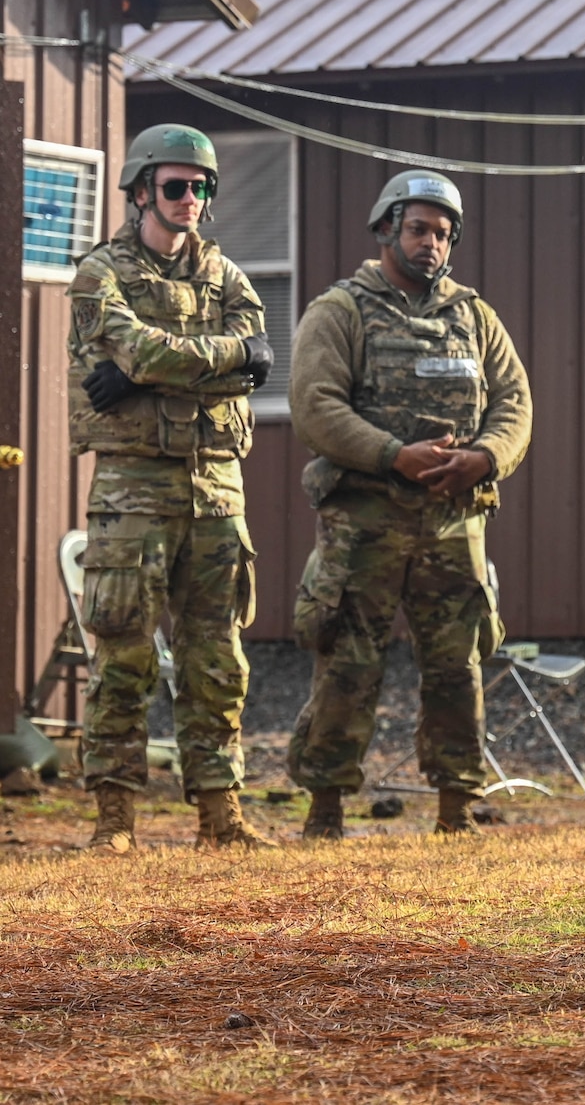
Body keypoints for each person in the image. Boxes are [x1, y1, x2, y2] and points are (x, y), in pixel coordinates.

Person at [286, 170, 533, 839]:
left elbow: (514, 401)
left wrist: (483, 458)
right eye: (419, 228)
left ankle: (457, 807)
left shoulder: (474, 315)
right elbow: (315, 406)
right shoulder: (341, 310)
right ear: (387, 229)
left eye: (443, 233)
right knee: (348, 661)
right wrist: (394, 453)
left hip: (454, 522)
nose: (432, 244)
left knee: (459, 662)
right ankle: (326, 808)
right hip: (364, 521)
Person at [67, 124, 275, 852]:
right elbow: (144, 344)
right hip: (132, 490)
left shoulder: (228, 276)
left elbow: (260, 353)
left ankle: (222, 815)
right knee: (123, 656)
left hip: (217, 489)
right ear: (140, 190)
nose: (191, 198)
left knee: (217, 657)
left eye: (202, 186)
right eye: (176, 185)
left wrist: (145, 372)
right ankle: (115, 819)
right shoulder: (102, 273)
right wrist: (212, 358)